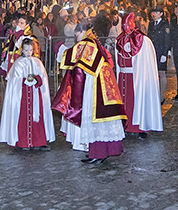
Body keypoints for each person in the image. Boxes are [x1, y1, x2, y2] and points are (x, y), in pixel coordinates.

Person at [53, 15, 126, 164]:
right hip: (101, 81)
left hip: (95, 84)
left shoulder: (87, 43)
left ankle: (98, 153)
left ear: (83, 32)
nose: (76, 38)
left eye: (77, 34)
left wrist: (59, 47)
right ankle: (99, 151)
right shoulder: (93, 41)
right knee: (101, 119)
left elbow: (71, 56)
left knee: (95, 117)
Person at [0, 38, 55, 151]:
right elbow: (13, 80)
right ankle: (24, 142)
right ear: (22, 50)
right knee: (24, 118)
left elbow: (43, 76)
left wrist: (37, 80)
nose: (28, 52)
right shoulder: (18, 63)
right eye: (26, 50)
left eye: (30, 50)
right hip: (23, 96)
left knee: (38, 118)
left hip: (36, 95)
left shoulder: (37, 62)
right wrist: (24, 81)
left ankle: (38, 142)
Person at [115, 12, 163, 137]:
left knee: (136, 102)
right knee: (123, 103)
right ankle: (124, 125)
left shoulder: (142, 40)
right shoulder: (120, 39)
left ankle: (139, 127)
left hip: (136, 78)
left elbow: (145, 63)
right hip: (122, 77)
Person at [147, 5, 171, 103]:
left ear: (161, 14)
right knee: (153, 74)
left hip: (161, 52)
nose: (154, 14)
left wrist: (165, 54)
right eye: (154, 12)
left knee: (162, 73)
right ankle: (154, 93)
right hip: (152, 51)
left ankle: (161, 96)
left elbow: (167, 40)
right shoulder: (151, 24)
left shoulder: (165, 24)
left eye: (156, 12)